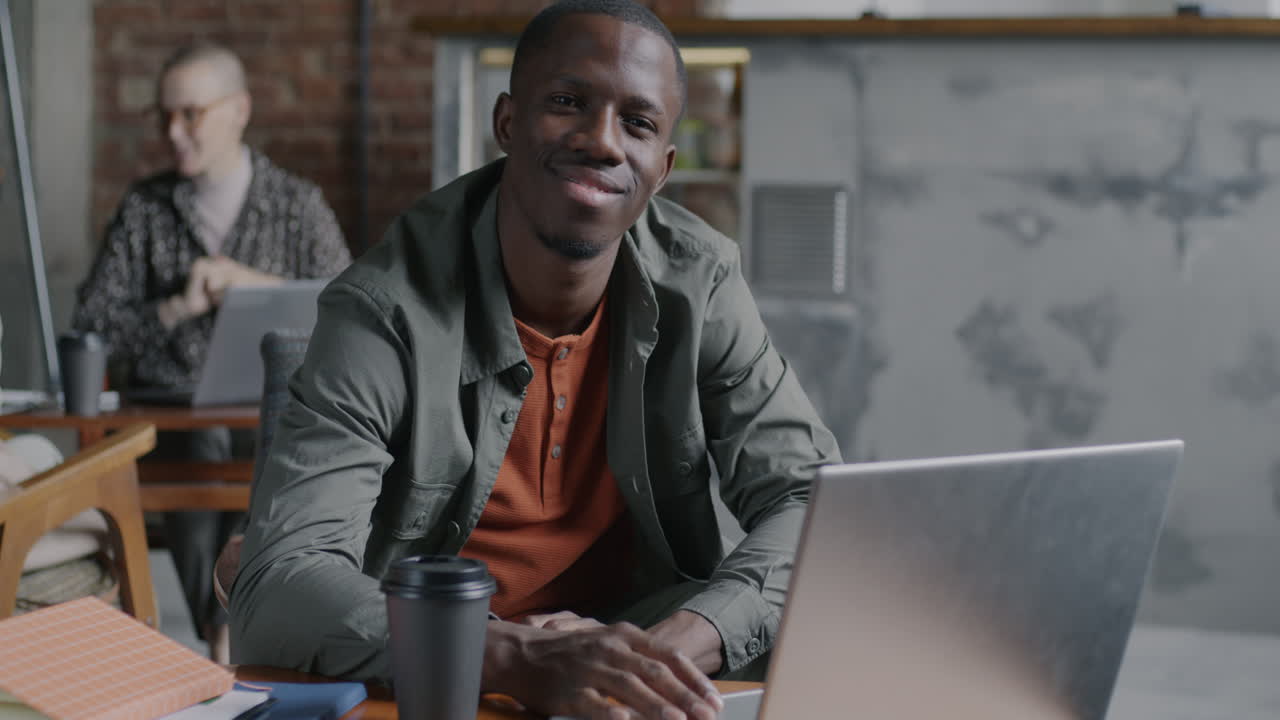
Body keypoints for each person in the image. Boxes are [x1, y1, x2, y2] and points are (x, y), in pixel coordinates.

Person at [230, 1, 840, 717]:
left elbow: (811, 501)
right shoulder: (383, 308)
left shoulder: (699, 284)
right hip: (444, 678)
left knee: (837, 631)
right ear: (508, 123)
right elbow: (278, 583)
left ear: (663, 168)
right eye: (568, 102)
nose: (602, 141)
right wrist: (525, 656)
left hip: (635, 639)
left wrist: (671, 649)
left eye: (637, 123)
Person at [72, 41, 351, 660]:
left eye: (191, 114)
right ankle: (224, 624)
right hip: (174, 411)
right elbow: (91, 326)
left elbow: (351, 309)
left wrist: (257, 286)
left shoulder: (295, 203)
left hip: (276, 407)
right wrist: (177, 307)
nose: (174, 132)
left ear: (239, 111)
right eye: (164, 116)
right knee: (201, 444)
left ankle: (232, 621)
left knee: (276, 441)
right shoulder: (144, 208)